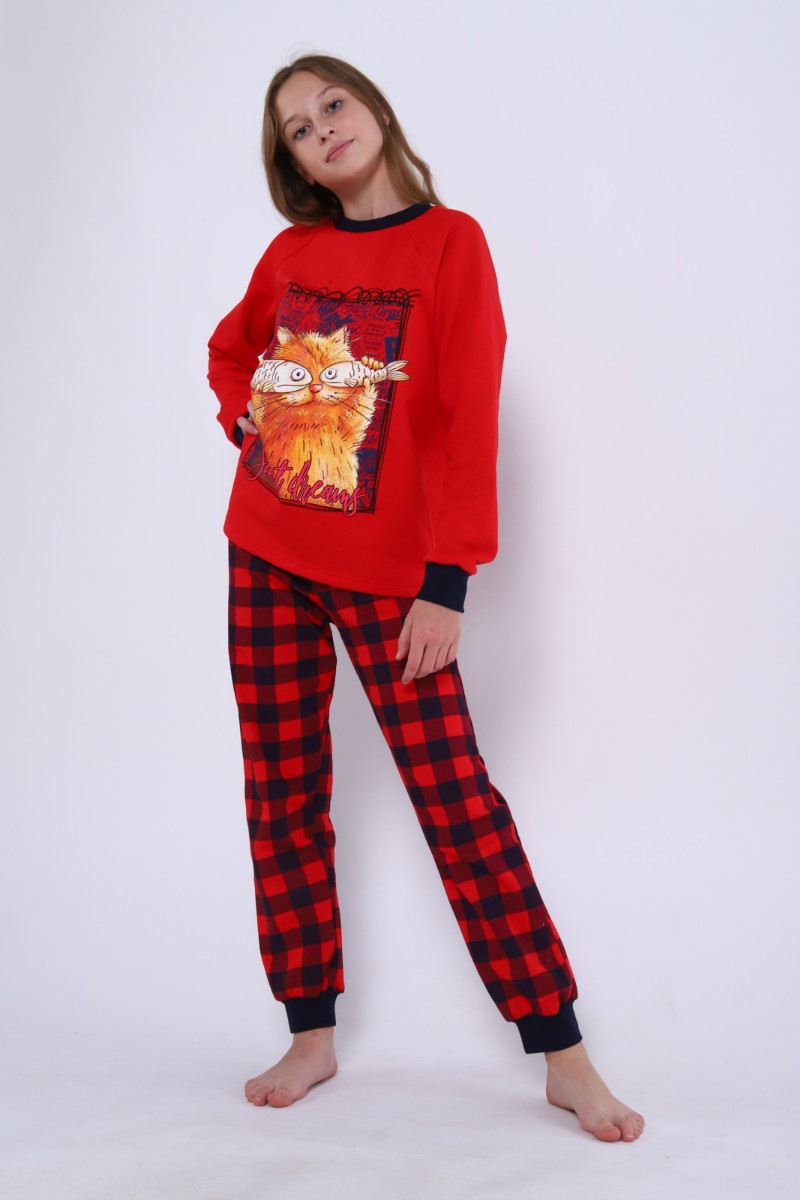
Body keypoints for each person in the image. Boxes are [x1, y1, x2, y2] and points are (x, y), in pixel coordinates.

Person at [206, 53, 644, 1143]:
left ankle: (562, 1053)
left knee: (457, 804)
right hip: (264, 550)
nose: (321, 129)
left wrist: (446, 583)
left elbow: (465, 413)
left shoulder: (452, 244)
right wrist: (243, 417)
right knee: (281, 793)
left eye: (331, 104)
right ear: (295, 165)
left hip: (392, 581)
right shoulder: (291, 254)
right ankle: (310, 1034)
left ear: (373, 108)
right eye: (297, 129)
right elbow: (230, 353)